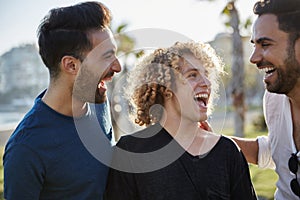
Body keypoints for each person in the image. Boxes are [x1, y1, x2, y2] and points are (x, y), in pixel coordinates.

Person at [104, 41, 257, 200]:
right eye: (192, 75)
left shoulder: (227, 151)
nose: (206, 83)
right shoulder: (130, 151)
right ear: (166, 87)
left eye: (206, 74)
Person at [3, 1, 121, 199]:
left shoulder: (98, 99)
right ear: (71, 65)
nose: (117, 67)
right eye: (106, 57)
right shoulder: (26, 148)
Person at [230, 0, 300, 199]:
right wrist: (210, 142)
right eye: (255, 45)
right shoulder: (273, 99)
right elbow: (278, 149)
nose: (253, 58)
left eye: (265, 44)